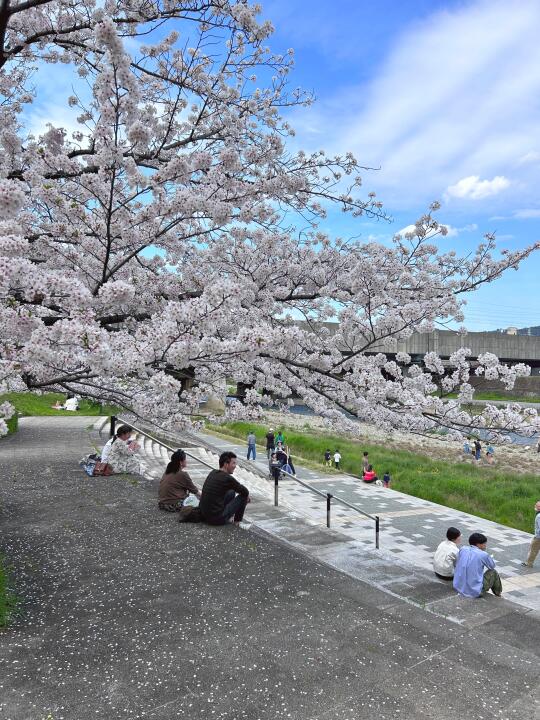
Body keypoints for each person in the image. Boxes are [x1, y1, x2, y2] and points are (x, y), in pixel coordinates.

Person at [199, 451, 250, 525]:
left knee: (231, 492)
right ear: (226, 464)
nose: (235, 466)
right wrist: (247, 496)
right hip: (216, 519)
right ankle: (237, 522)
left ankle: (229, 517)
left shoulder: (212, 472)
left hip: (204, 515)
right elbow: (245, 491)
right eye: (233, 463)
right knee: (244, 496)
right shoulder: (227, 478)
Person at [453, 532, 502, 598]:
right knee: (493, 572)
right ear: (479, 544)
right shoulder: (483, 554)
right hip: (474, 592)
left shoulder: (463, 549)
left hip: (457, 587)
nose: (485, 545)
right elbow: (492, 566)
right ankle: (498, 594)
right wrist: (488, 557)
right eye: (484, 543)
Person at [521, 500, 540, 568]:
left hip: (538, 537)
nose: (535, 506)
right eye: (536, 505)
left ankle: (529, 563)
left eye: (537, 506)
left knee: (533, 550)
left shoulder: (539, 516)